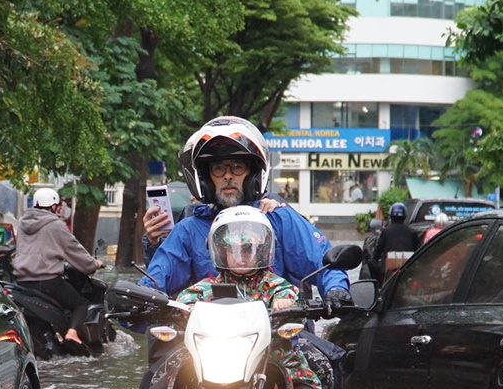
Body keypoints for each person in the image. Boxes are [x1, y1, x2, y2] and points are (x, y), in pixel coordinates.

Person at [138, 207, 327, 389]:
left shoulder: (278, 286)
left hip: (274, 359)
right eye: (232, 248)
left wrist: (288, 307)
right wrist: (171, 309)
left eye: (250, 248)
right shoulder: (203, 288)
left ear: (264, 250)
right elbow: (180, 304)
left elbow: (293, 302)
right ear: (218, 251)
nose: (241, 254)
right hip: (209, 360)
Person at [139, 117, 351, 304]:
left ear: (253, 173)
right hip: (207, 337)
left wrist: (336, 290)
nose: (228, 175)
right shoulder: (188, 228)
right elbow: (159, 276)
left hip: (279, 335)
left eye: (238, 166)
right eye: (218, 168)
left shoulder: (278, 218)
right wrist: (139, 296)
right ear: (206, 178)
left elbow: (321, 261)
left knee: (329, 350)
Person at [12, 188, 103, 345]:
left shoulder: (22, 223)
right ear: (53, 206)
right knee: (80, 305)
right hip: (47, 281)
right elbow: (74, 249)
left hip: (22, 282)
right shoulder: (55, 225)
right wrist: (94, 264)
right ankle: (72, 334)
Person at [366, 201, 421, 285]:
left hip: (388, 268)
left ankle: (378, 286)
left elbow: (378, 250)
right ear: (405, 216)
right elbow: (418, 249)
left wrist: (375, 257)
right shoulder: (412, 232)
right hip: (408, 267)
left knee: (370, 262)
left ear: (391, 215)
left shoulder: (386, 231)